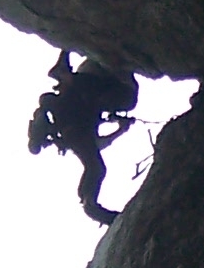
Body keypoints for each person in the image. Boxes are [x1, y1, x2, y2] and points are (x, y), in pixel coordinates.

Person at [28, 48, 140, 224]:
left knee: (96, 167)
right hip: (88, 85)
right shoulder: (79, 133)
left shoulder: (77, 134)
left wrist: (118, 126)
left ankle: (90, 203)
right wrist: (119, 128)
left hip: (88, 86)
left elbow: (97, 146)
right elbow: (99, 143)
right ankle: (89, 204)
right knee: (96, 167)